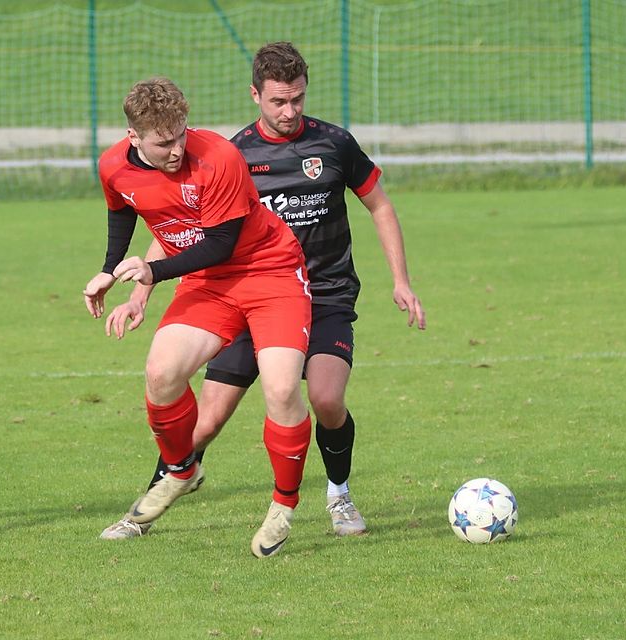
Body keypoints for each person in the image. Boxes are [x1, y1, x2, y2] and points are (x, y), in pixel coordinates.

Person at [100, 41, 425, 540]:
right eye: (278, 100)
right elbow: (179, 225)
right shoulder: (233, 152)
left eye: (297, 99)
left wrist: (400, 280)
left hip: (321, 291)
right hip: (233, 285)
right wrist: (140, 286)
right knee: (201, 423)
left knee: (324, 398)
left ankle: (336, 495)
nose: (289, 110)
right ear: (256, 95)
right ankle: (161, 491)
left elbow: (379, 206)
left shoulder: (333, 144)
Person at [83, 77, 314, 558]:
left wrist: (150, 271)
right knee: (161, 372)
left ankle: (283, 504)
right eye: (163, 142)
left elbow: (221, 245)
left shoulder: (220, 158)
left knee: (281, 388)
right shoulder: (111, 166)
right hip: (209, 283)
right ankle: (181, 470)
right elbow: (123, 209)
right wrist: (109, 271)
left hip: (268, 271)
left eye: (181, 135)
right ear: (134, 139)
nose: (175, 149)